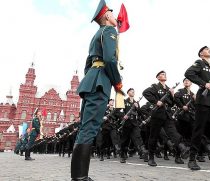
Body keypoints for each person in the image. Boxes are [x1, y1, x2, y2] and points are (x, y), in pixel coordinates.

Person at [70, 0, 122, 180]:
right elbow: (109, 59)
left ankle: (79, 176)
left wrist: (93, 77)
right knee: (90, 128)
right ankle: (80, 178)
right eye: (112, 14)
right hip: (100, 82)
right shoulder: (109, 31)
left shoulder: (96, 35)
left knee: (85, 127)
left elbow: (87, 65)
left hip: (91, 80)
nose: (115, 17)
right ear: (107, 15)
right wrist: (117, 82)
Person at [142, 71, 190, 167]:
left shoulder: (168, 89)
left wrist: (172, 95)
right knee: (153, 136)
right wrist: (156, 101)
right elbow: (145, 92)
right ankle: (151, 157)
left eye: (165, 74)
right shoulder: (155, 87)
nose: (164, 75)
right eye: (162, 74)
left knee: (173, 133)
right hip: (157, 115)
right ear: (158, 77)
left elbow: (172, 103)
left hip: (167, 115)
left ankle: (182, 148)